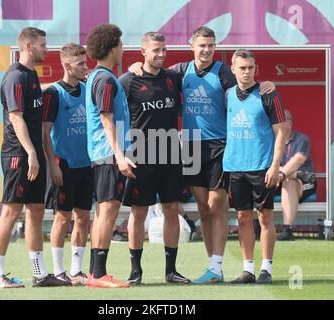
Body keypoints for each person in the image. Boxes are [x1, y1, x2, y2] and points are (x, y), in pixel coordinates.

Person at [129, 26, 275, 284]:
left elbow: (246, 88)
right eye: (202, 45)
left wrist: (266, 84)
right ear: (192, 46)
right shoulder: (179, 72)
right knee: (202, 208)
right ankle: (212, 267)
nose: (206, 50)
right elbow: (152, 71)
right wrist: (134, 67)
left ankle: (217, 267)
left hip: (220, 146)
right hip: (192, 145)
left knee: (216, 206)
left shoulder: (223, 73)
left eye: (211, 45)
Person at [0, 27, 66, 288]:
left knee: (35, 211)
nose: (47, 49)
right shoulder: (14, 77)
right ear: (29, 47)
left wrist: (60, 83)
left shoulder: (31, 75)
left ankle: (40, 273)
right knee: (11, 212)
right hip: (18, 155)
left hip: (33, 155)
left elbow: (34, 103)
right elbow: (15, 116)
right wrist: (32, 153)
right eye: (43, 45)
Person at [119, 32, 191, 285]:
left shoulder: (173, 78)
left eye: (164, 50)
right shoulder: (128, 80)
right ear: (143, 51)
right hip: (141, 155)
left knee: (172, 209)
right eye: (155, 50)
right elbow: (113, 116)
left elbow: (199, 72)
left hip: (171, 152)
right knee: (138, 212)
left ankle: (171, 271)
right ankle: (135, 271)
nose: (160, 55)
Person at [224, 49, 286, 284]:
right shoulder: (227, 94)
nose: (247, 72)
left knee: (265, 216)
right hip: (235, 165)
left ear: (255, 69)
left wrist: (275, 166)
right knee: (242, 217)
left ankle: (266, 269)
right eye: (242, 68)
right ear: (233, 69)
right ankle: (248, 270)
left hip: (262, 166)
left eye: (250, 67)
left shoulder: (269, 94)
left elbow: (281, 132)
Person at [85, 23, 134, 288]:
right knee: (107, 211)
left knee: (104, 211)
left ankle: (96, 273)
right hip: (108, 154)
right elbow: (106, 119)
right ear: (113, 47)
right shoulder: (104, 79)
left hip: (104, 154)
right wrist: (120, 156)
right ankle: (98, 275)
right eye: (121, 44)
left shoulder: (98, 76)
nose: (123, 49)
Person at [42, 43, 92, 285]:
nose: (86, 67)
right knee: (62, 217)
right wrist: (53, 165)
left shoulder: (88, 89)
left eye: (86, 62)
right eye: (81, 63)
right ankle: (59, 270)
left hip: (87, 164)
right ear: (66, 65)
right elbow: (45, 133)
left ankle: (76, 269)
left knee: (83, 216)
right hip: (65, 164)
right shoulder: (53, 94)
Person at [276, 109, 317, 241]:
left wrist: (282, 173)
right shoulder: (272, 140)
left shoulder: (302, 139)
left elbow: (299, 159)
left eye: (282, 120)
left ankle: (287, 230)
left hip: (305, 182)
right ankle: (258, 225)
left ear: (289, 124)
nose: (277, 123)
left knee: (289, 181)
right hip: (278, 180)